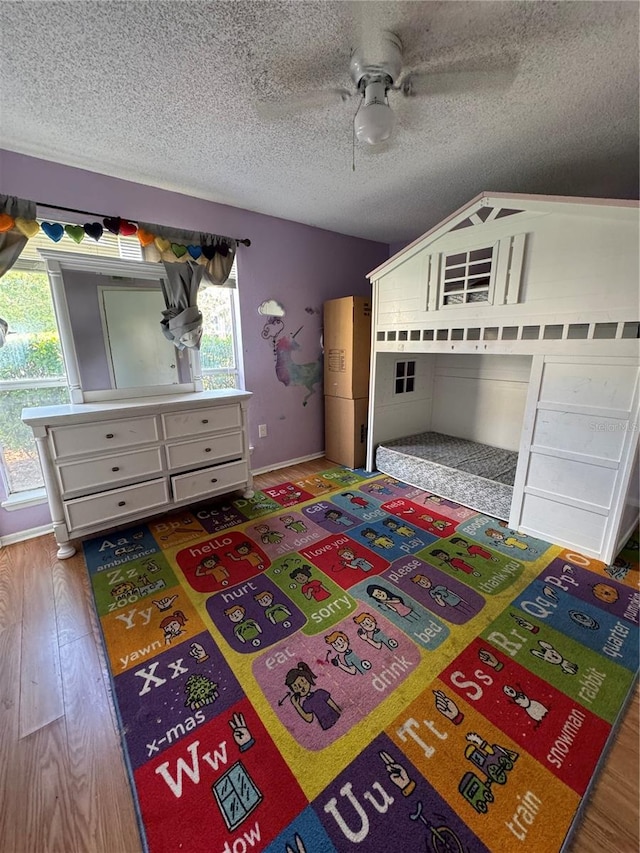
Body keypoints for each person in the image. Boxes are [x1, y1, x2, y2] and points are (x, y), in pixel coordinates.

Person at [284, 662, 341, 730]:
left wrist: (340, 713)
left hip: (336, 717)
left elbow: (333, 705)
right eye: (296, 687)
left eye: (302, 681)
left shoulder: (320, 693)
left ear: (307, 678)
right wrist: (297, 705)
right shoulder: (306, 703)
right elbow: (309, 718)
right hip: (326, 725)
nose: (301, 687)